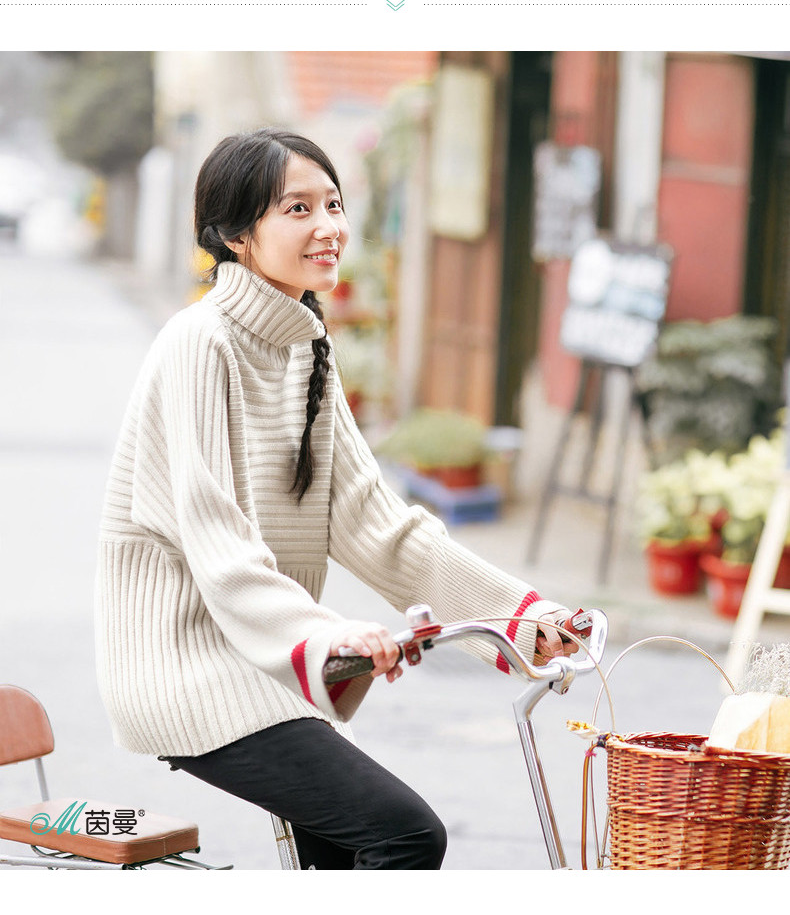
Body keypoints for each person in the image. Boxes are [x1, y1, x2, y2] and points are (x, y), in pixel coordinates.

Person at [95, 127, 579, 870]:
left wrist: (521, 615)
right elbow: (220, 549)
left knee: (348, 852)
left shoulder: (306, 345)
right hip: (191, 663)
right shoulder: (199, 342)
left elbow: (375, 524)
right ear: (236, 235)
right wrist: (329, 636)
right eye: (298, 209)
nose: (329, 226)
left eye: (333, 204)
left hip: (267, 661)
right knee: (403, 834)